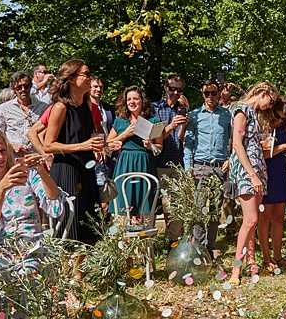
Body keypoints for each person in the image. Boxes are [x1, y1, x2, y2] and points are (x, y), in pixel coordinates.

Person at [43, 59, 104, 244]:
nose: (89, 78)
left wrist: (98, 144)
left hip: (86, 168)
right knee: (70, 229)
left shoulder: (86, 106)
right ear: (71, 78)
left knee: (89, 225)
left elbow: (87, 136)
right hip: (66, 170)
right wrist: (82, 146)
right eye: (86, 74)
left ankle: (84, 272)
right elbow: (48, 145)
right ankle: (70, 272)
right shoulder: (60, 107)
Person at [0, 128, 66, 269]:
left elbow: (55, 206)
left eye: (3, 151)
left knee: (27, 273)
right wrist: (1, 189)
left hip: (31, 247)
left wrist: (40, 170)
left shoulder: (25, 175)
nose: (0, 157)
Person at [226, 81, 278, 285]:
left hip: (258, 170)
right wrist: (252, 175)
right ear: (263, 92)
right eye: (270, 101)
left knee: (252, 221)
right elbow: (237, 144)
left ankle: (250, 261)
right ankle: (235, 271)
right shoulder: (241, 110)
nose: (270, 106)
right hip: (247, 173)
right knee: (250, 219)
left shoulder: (253, 114)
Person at [183, 79, 232, 253]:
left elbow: (234, 140)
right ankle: (197, 247)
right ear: (202, 94)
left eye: (213, 92)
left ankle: (210, 247)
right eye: (206, 93)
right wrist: (188, 167)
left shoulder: (227, 115)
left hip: (219, 167)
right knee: (198, 208)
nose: (210, 96)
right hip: (200, 167)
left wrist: (230, 158)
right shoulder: (195, 115)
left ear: (219, 94)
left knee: (214, 209)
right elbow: (188, 143)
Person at [107, 86, 163, 228]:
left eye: (136, 98)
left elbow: (159, 149)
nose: (132, 102)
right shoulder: (120, 121)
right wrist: (125, 134)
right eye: (129, 99)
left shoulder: (154, 121)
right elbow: (107, 146)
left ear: (142, 101)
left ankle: (144, 245)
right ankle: (122, 244)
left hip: (145, 165)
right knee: (122, 205)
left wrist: (150, 145)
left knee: (144, 204)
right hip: (124, 165)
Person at [257, 95, 286, 272]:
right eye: (279, 116)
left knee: (279, 217)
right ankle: (266, 258)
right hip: (266, 173)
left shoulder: (282, 128)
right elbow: (263, 153)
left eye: (284, 118)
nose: (280, 120)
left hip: (280, 173)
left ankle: (278, 256)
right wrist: (284, 147)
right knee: (265, 217)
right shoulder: (264, 126)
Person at [152, 75, 189, 242]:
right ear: (165, 88)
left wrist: (184, 125)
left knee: (173, 208)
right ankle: (148, 245)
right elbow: (152, 138)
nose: (175, 92)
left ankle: (174, 244)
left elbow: (182, 140)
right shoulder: (154, 108)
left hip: (175, 163)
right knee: (150, 207)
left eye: (179, 90)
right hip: (154, 163)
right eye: (172, 89)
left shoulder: (182, 110)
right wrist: (171, 126)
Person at [0, 72, 48, 155]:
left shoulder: (43, 107)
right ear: (13, 89)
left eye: (26, 86)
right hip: (14, 158)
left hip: (37, 157)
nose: (23, 89)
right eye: (19, 87)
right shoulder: (4, 108)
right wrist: (11, 146)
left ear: (30, 86)